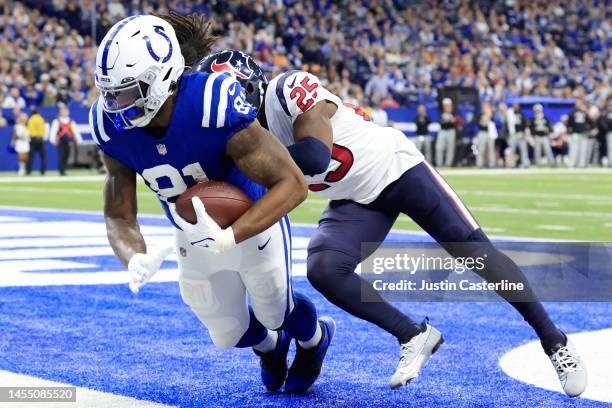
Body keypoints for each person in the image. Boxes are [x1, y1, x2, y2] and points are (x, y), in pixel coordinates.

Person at [197, 50, 587, 396]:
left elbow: (315, 157)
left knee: (477, 254)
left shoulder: (289, 90)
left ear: (248, 92)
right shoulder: (240, 136)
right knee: (324, 268)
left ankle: (555, 343)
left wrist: (255, 161)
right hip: (353, 198)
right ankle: (414, 335)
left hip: (396, 168)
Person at [90, 14, 334, 394]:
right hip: (191, 231)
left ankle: (315, 339)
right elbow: (119, 214)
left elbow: (292, 184)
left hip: (254, 220)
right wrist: (134, 257)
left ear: (161, 79)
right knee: (226, 331)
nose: (114, 105)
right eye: (108, 92)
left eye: (125, 92)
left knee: (275, 309)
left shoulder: (212, 101)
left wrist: (231, 235)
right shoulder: (109, 126)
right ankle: (270, 347)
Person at [50, 105, 82, 176]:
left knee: (66, 156)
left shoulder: (71, 122)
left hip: (68, 141)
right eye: (62, 111)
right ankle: (61, 171)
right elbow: (53, 131)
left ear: (68, 112)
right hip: (60, 141)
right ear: (60, 112)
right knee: (61, 155)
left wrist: (79, 140)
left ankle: (64, 169)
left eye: (65, 111)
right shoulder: (57, 121)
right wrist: (53, 140)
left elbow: (75, 131)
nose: (64, 113)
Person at [567, 99, 594, 168]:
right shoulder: (572, 113)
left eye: (579, 103)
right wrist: (569, 131)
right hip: (575, 133)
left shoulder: (585, 113)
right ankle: (572, 163)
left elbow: (590, 122)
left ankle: (582, 164)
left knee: (583, 150)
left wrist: (592, 128)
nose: (578, 105)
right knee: (574, 149)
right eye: (577, 103)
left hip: (584, 133)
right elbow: (569, 124)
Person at [506, 103, 530, 167]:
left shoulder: (521, 113)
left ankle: (525, 163)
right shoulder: (509, 113)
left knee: (523, 149)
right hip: (512, 134)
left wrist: (524, 132)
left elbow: (525, 123)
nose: (516, 106)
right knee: (512, 149)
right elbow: (507, 125)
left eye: (517, 105)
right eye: (514, 105)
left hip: (520, 133)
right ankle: (512, 164)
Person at [26, 107, 48, 175]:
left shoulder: (30, 120)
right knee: (43, 157)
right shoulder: (42, 119)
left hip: (33, 139)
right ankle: (43, 171)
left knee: (30, 157)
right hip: (41, 139)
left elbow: (28, 130)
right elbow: (45, 129)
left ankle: (29, 171)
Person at [435, 98, 456, 167]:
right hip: (443, 130)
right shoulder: (440, 112)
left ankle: (448, 164)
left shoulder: (454, 112)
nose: (447, 107)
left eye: (448, 105)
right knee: (439, 147)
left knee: (450, 148)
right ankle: (439, 164)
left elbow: (457, 121)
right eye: (446, 105)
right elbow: (440, 121)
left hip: (451, 130)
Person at [476, 102, 496, 168]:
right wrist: (485, 117)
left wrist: (490, 115)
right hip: (482, 132)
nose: (485, 107)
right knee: (481, 149)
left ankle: (492, 164)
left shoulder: (492, 114)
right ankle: (479, 164)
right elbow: (479, 123)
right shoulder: (480, 114)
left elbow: (495, 123)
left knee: (491, 149)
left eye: (487, 106)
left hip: (490, 133)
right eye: (484, 106)